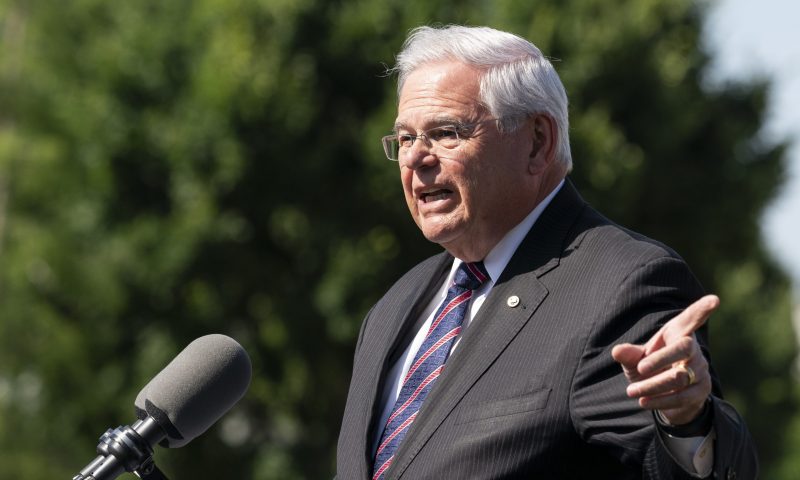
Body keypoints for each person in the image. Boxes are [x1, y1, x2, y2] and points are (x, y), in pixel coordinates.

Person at [336, 25, 757, 479]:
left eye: (445, 132)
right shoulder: (395, 307)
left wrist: (686, 420)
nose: (416, 158)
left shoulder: (621, 284)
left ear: (537, 142)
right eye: (404, 139)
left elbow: (679, 467)